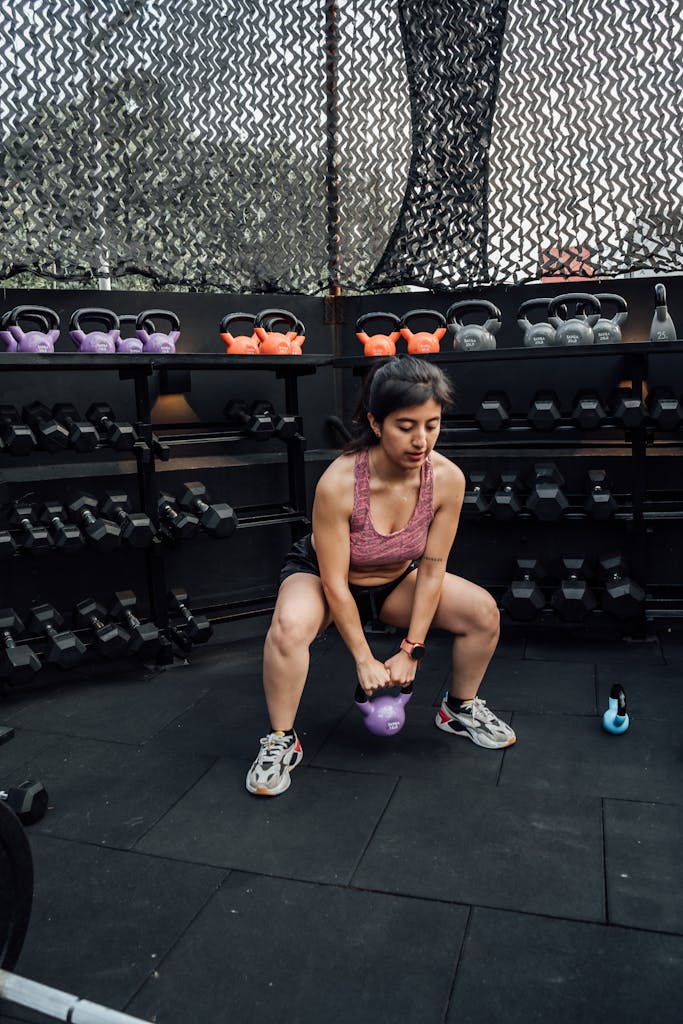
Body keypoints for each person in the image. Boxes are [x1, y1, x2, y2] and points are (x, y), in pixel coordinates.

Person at [246, 355, 515, 797]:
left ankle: (459, 708)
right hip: (323, 576)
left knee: (483, 612)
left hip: (395, 579)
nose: (421, 439)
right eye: (405, 425)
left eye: (432, 424)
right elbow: (335, 583)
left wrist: (412, 649)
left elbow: (431, 568)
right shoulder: (339, 482)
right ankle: (281, 739)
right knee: (290, 626)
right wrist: (365, 659)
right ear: (375, 422)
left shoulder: (447, 479)